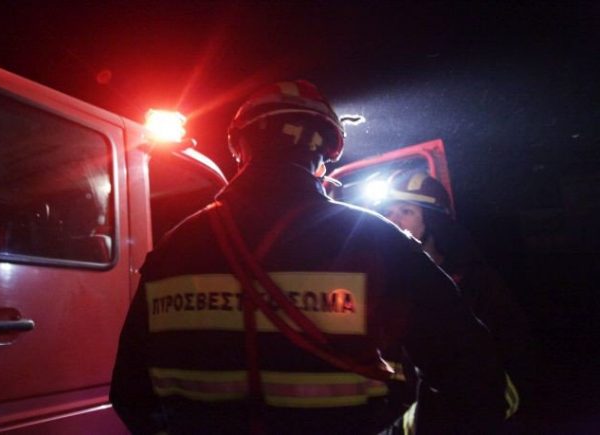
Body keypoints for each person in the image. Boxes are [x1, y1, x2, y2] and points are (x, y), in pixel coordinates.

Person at [110, 80, 507, 434]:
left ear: (240, 147)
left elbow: (130, 393)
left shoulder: (173, 247)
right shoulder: (376, 239)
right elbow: (473, 375)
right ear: (328, 151)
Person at [376, 169, 528, 424]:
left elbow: (506, 361)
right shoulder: (383, 281)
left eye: (406, 211)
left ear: (434, 222)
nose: (393, 220)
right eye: (388, 212)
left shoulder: (475, 282)